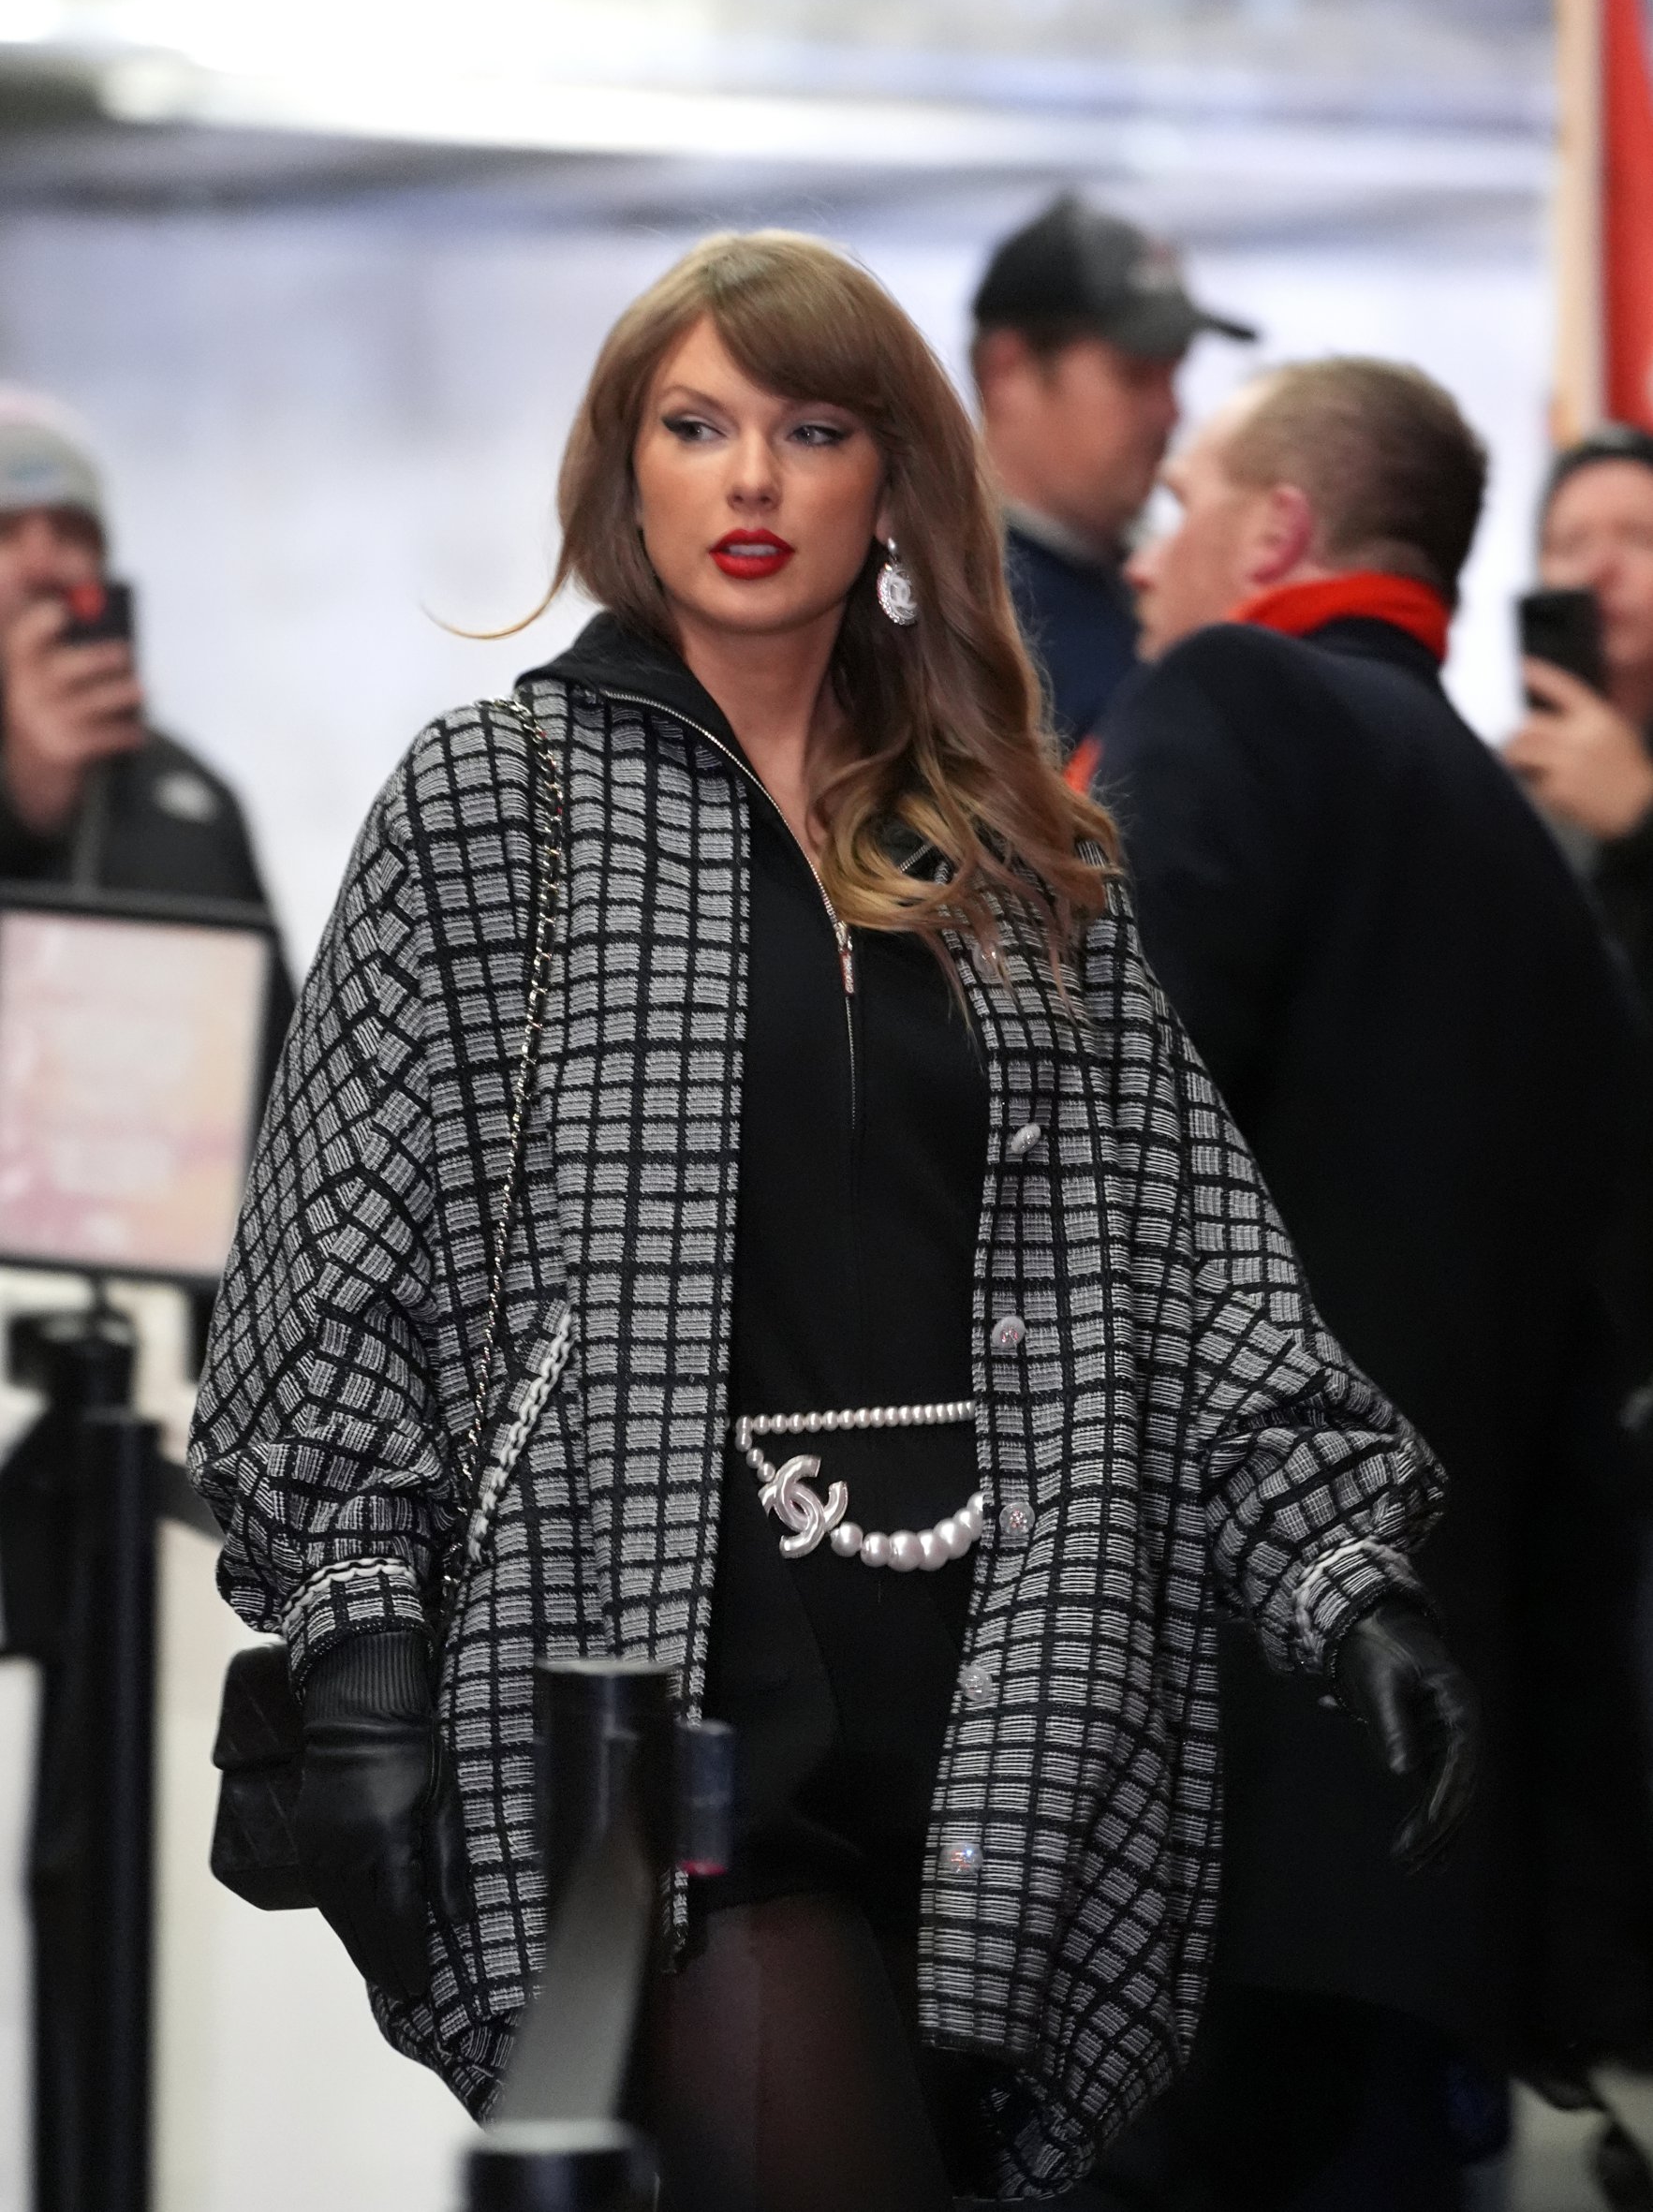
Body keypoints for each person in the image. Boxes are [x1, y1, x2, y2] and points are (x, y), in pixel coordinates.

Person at [188, 239, 1475, 2210]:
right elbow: (335, 1260)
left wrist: (1339, 1572)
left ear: (894, 480)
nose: (754, 481)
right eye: (695, 429)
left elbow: (1191, 1247)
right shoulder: (494, 808)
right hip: (656, 1668)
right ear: (627, 480)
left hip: (1010, 1691)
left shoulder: (1012, 847)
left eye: (809, 429)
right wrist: (360, 1640)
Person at [1101, 359, 1653, 2207]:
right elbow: (1581, 1421)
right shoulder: (1544, 888)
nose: (1148, 558)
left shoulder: (1231, 700)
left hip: (1182, 1790)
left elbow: (1108, 1171)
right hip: (1431, 1841)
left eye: (1184, 507)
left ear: (1276, 533)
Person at [0, 391, 288, 951]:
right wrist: (23, 806)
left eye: (70, 531)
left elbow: (284, 1028)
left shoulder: (199, 800)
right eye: (6, 532)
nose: (42, 563)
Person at [970, 194, 1255, 752]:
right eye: (1135, 377)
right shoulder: (946, 605)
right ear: (1008, 373)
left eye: (1175, 377)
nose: (1172, 412)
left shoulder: (1162, 584)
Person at [1509, 421, 1653, 1025]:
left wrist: (1641, 828)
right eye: (1569, 545)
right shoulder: (1491, 786)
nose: (1599, 569)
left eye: (1640, 538)